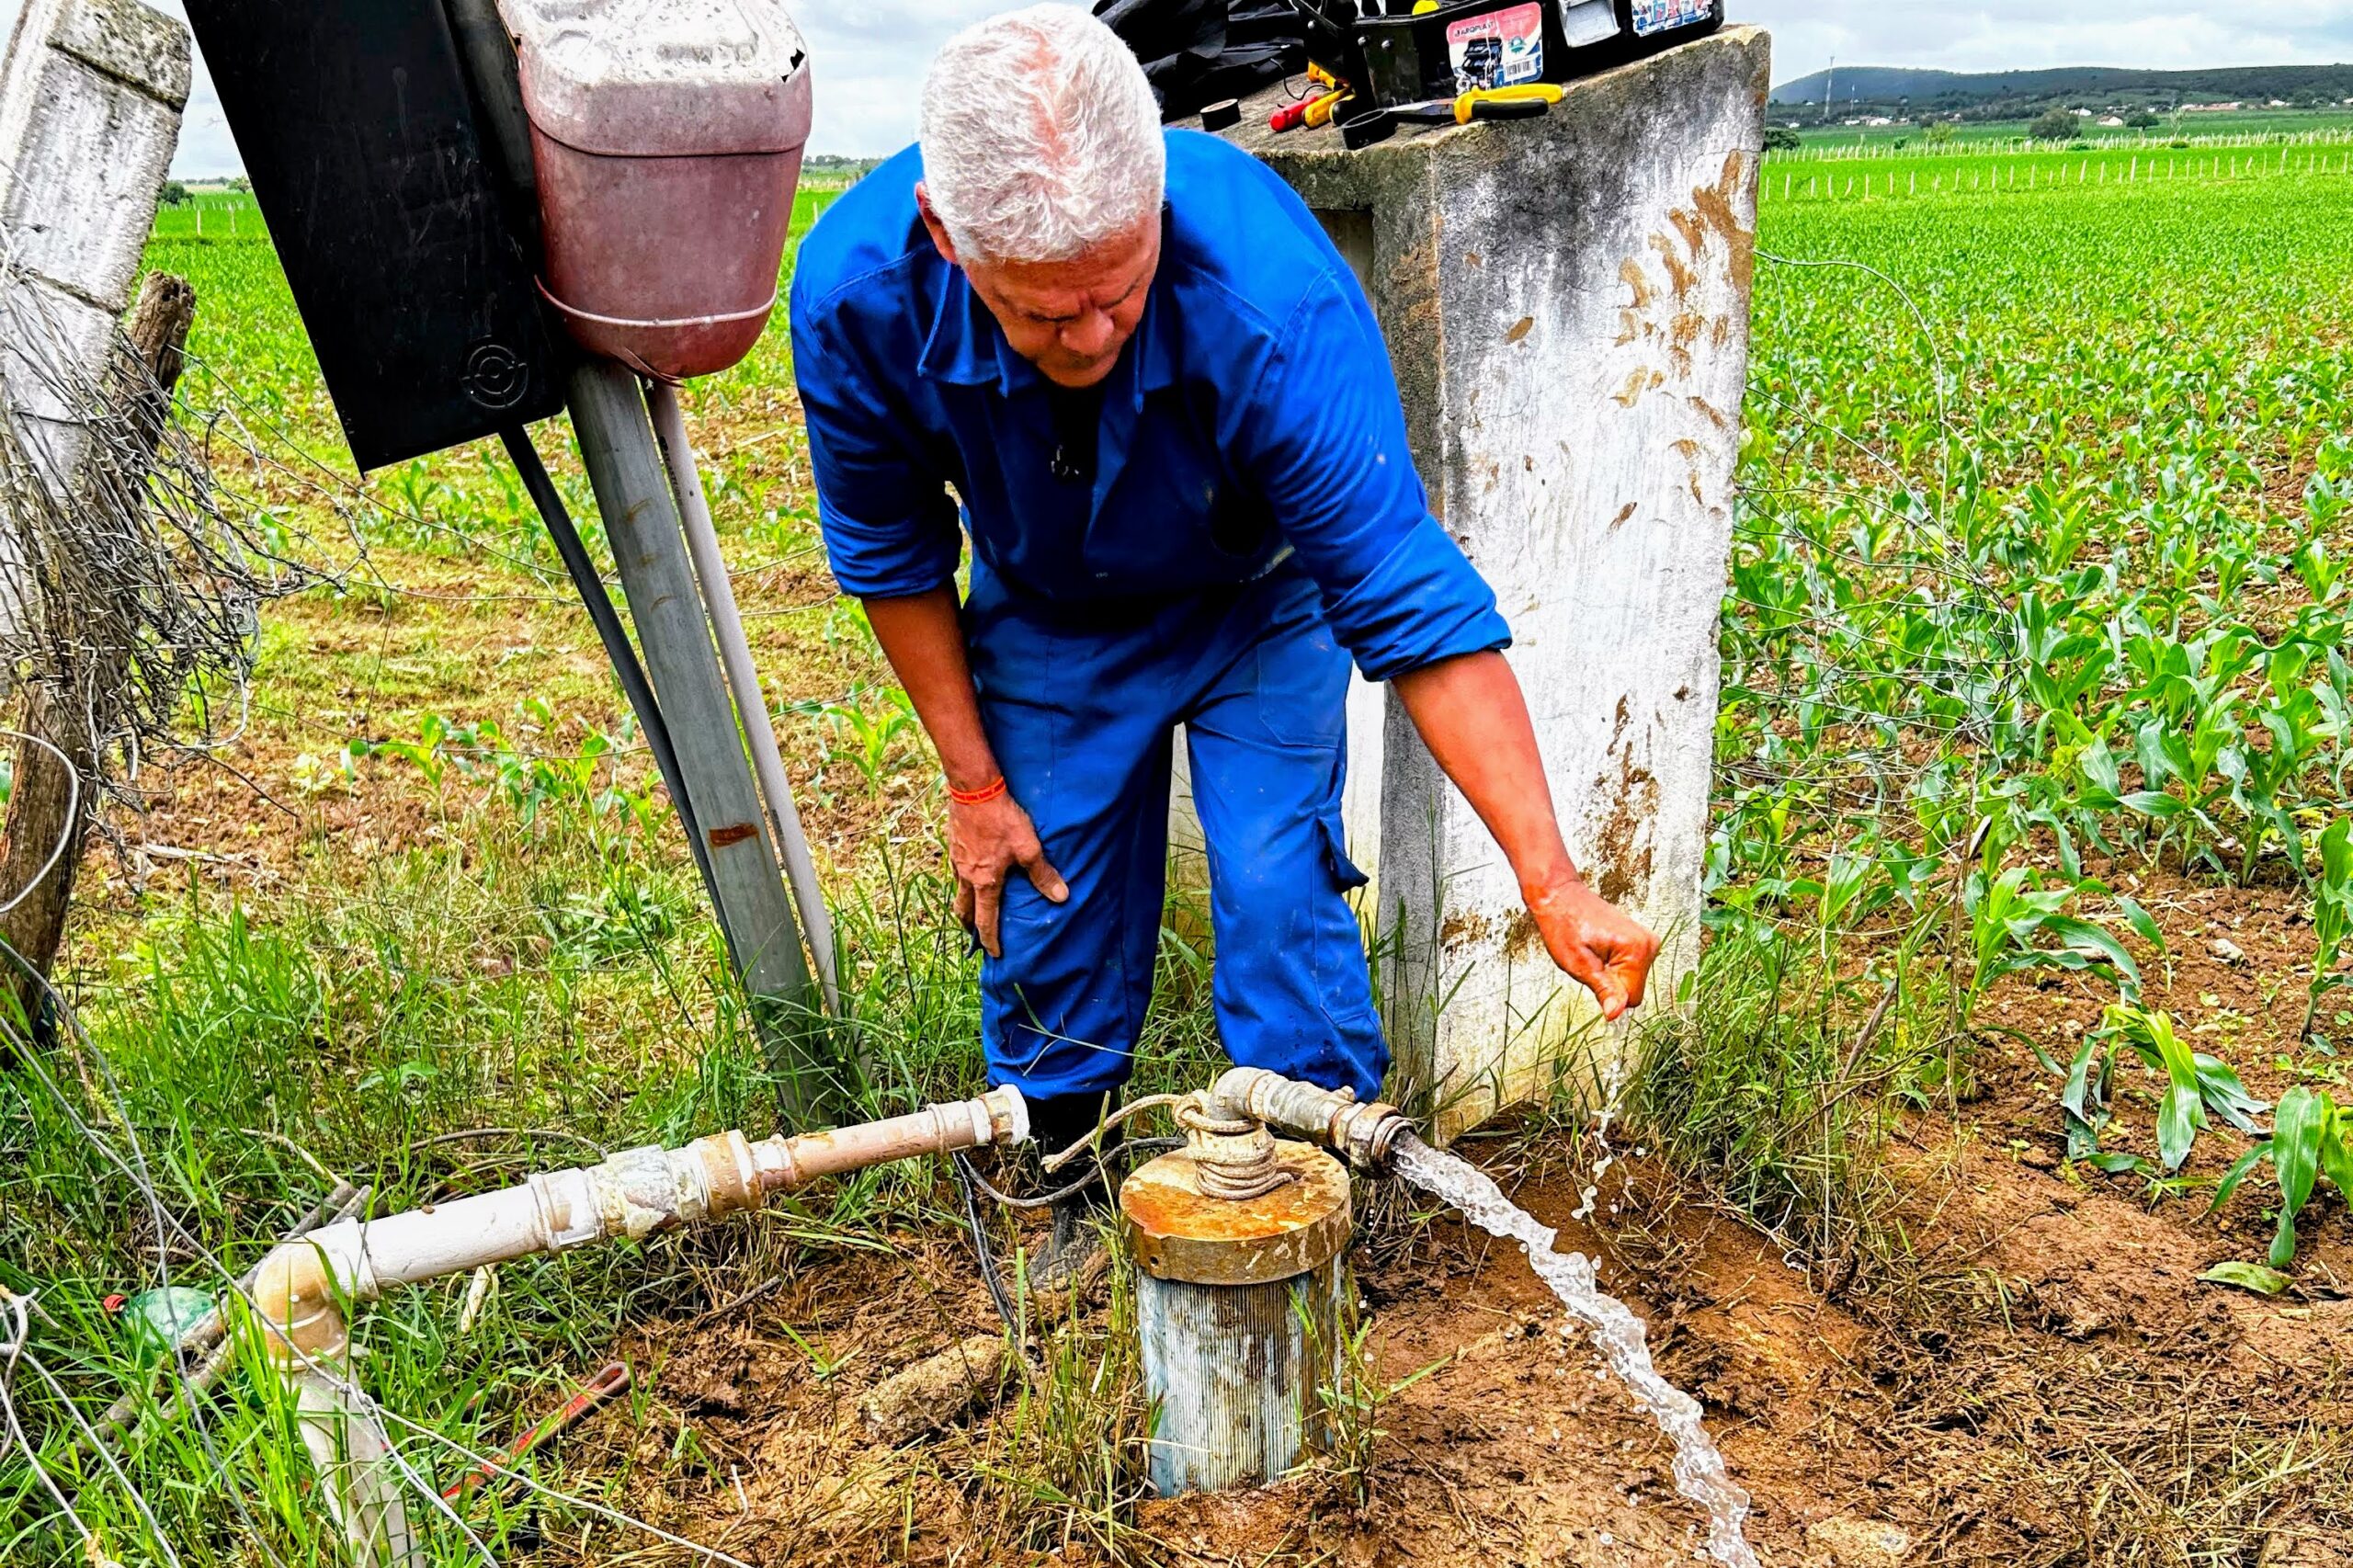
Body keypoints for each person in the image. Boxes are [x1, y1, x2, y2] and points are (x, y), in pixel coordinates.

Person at [790, 6, 1659, 1286]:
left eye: (1118, 297)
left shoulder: (1270, 287)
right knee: (1049, 908)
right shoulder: (859, 293)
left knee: (1275, 890)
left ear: (1154, 205)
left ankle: (1306, 1216)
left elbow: (1406, 595)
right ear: (944, 236)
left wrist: (1550, 877)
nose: (1087, 340)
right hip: (1048, 615)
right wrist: (975, 784)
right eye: (1041, 316)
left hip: (1262, 599)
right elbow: (892, 555)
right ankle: (1058, 1202)